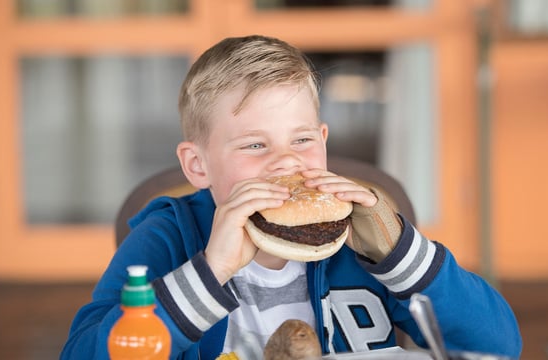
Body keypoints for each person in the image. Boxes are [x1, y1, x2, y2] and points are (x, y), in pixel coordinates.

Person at [61, 35, 522, 359]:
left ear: (323, 139)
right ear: (197, 166)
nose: (286, 163)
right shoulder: (166, 237)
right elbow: (84, 354)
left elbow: (496, 346)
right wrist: (210, 271)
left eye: (301, 140)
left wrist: (399, 252)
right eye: (255, 145)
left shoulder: (366, 241)